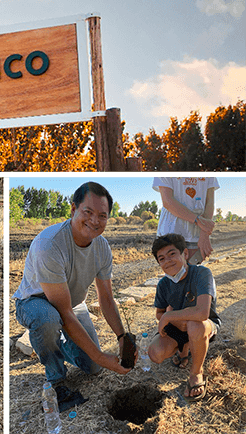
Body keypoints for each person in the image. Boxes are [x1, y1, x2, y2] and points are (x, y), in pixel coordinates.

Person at [12, 182, 134, 412]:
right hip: (35, 302)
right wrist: (99, 354)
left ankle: (56, 345)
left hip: (73, 304)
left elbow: (106, 298)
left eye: (102, 216)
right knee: (48, 319)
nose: (94, 221)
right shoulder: (49, 245)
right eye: (87, 212)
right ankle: (56, 380)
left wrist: (121, 337)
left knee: (93, 367)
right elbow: (62, 311)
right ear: (73, 209)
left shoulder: (103, 247)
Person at [146, 233, 221, 402]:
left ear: (185, 254)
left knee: (195, 325)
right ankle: (184, 348)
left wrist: (170, 315)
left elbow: (202, 312)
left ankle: (196, 374)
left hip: (204, 325)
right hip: (177, 328)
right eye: (162, 259)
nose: (168, 261)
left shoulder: (201, 274)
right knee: (155, 354)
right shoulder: (163, 284)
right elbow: (159, 313)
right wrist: (169, 318)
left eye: (172, 254)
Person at [153, 177, 219, 264]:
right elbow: (167, 201)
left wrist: (204, 233)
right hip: (170, 235)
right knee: (175, 275)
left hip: (196, 237)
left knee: (193, 274)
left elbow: (209, 202)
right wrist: (199, 222)